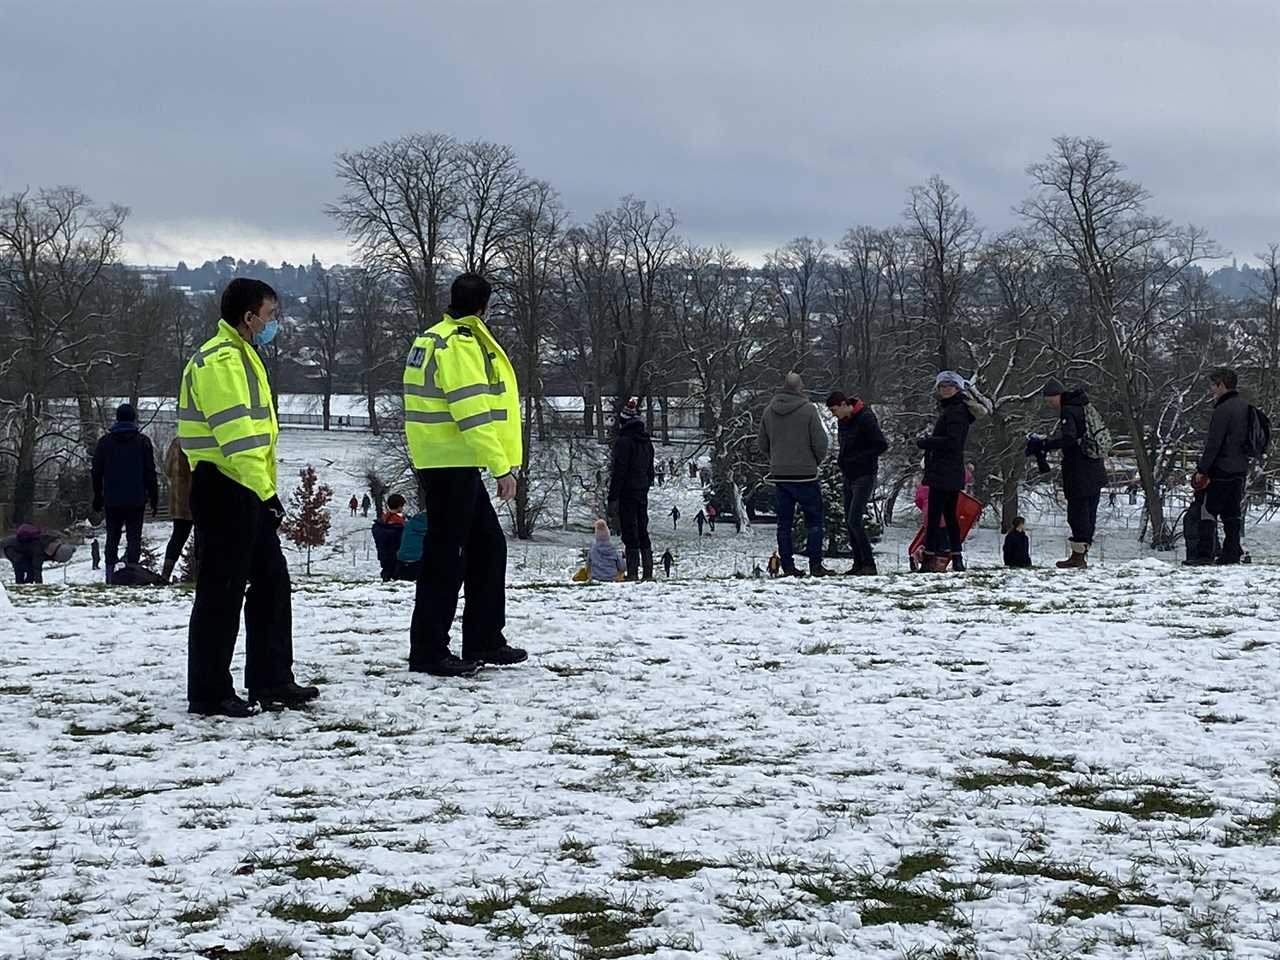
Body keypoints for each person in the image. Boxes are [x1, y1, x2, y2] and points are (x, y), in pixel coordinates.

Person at [179, 277, 319, 717]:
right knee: (221, 593)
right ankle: (209, 692)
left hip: (245, 487)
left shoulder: (242, 355)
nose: (272, 322)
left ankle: (272, 678)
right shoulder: (221, 362)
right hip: (226, 486)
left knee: (272, 584)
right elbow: (237, 438)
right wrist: (266, 495)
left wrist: (262, 492)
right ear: (248, 317)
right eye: (270, 315)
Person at [403, 272, 525, 677]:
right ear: (483, 307)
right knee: (446, 559)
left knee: (488, 547)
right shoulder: (458, 345)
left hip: (447, 461)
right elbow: (472, 411)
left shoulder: (433, 337)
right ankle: (429, 650)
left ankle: (484, 637)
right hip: (451, 461)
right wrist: (500, 466)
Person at [759, 371, 833, 577]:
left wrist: (776, 460)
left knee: (784, 523)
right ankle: (816, 565)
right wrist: (814, 461)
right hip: (806, 475)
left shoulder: (769, 411)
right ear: (800, 387)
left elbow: (762, 444)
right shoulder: (809, 410)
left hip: (781, 475)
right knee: (814, 521)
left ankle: (788, 566)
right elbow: (821, 442)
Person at [1028, 380, 1108, 569]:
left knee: (1077, 512)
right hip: (1095, 466)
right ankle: (1081, 553)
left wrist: (1046, 444)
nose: (1050, 404)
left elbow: (1069, 438)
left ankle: (1077, 556)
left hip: (1079, 470)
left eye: (1050, 400)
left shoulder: (1068, 410)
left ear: (1058, 395)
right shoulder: (1083, 406)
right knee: (1090, 511)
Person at [1186, 367, 1250, 566]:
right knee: (1232, 512)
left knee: (1208, 510)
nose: (1211, 390)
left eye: (1213, 386)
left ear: (1222, 385)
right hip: (1240, 468)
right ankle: (1231, 552)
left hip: (1221, 468)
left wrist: (1202, 469)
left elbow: (1214, 443)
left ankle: (1204, 554)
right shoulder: (1246, 408)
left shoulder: (1222, 410)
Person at [915, 372, 976, 572]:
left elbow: (953, 442)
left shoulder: (955, 411)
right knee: (949, 515)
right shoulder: (956, 409)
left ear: (958, 388)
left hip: (944, 470)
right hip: (949, 469)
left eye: (949, 385)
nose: (945, 389)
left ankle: (929, 559)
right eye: (942, 386)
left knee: (935, 516)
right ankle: (956, 558)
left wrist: (927, 442)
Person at [91, 403, 159, 583]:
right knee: (134, 537)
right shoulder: (142, 442)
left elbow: (96, 472)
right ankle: (133, 573)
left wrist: (98, 496)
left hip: (112, 499)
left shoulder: (105, 442)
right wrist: (154, 497)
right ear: (133, 418)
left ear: (117, 418)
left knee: (112, 537)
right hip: (136, 498)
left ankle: (109, 574)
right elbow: (150, 471)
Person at [826, 390, 889, 575]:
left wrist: (858, 458)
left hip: (864, 474)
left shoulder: (866, 418)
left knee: (855, 519)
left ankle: (869, 563)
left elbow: (881, 445)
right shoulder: (842, 422)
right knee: (849, 520)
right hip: (849, 474)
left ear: (845, 404)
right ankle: (858, 563)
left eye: (835, 409)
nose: (833, 414)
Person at [607, 397, 655, 581]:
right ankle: (648, 573)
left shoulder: (623, 442)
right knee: (643, 528)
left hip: (627, 491)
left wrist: (613, 497)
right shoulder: (646, 442)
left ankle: (633, 572)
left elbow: (619, 471)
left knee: (629, 530)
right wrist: (645, 485)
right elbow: (650, 470)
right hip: (642, 491)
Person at [161, 435, 195, 583]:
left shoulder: (176, 441)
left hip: (179, 499)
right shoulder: (200, 441)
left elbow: (168, 469)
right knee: (203, 537)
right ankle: (200, 575)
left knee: (178, 536)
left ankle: (165, 575)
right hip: (198, 495)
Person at [1, 525, 74, 584]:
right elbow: (37, 569)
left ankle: (25, 587)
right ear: (58, 555)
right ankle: (20, 587)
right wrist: (40, 585)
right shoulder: (41, 549)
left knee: (29, 569)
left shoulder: (50, 544)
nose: (57, 562)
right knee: (22, 567)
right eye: (59, 560)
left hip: (20, 549)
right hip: (10, 548)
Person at [372, 493, 408, 582]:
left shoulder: (383, 519)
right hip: (395, 554)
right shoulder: (399, 522)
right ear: (399, 506)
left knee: (386, 571)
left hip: (383, 552)